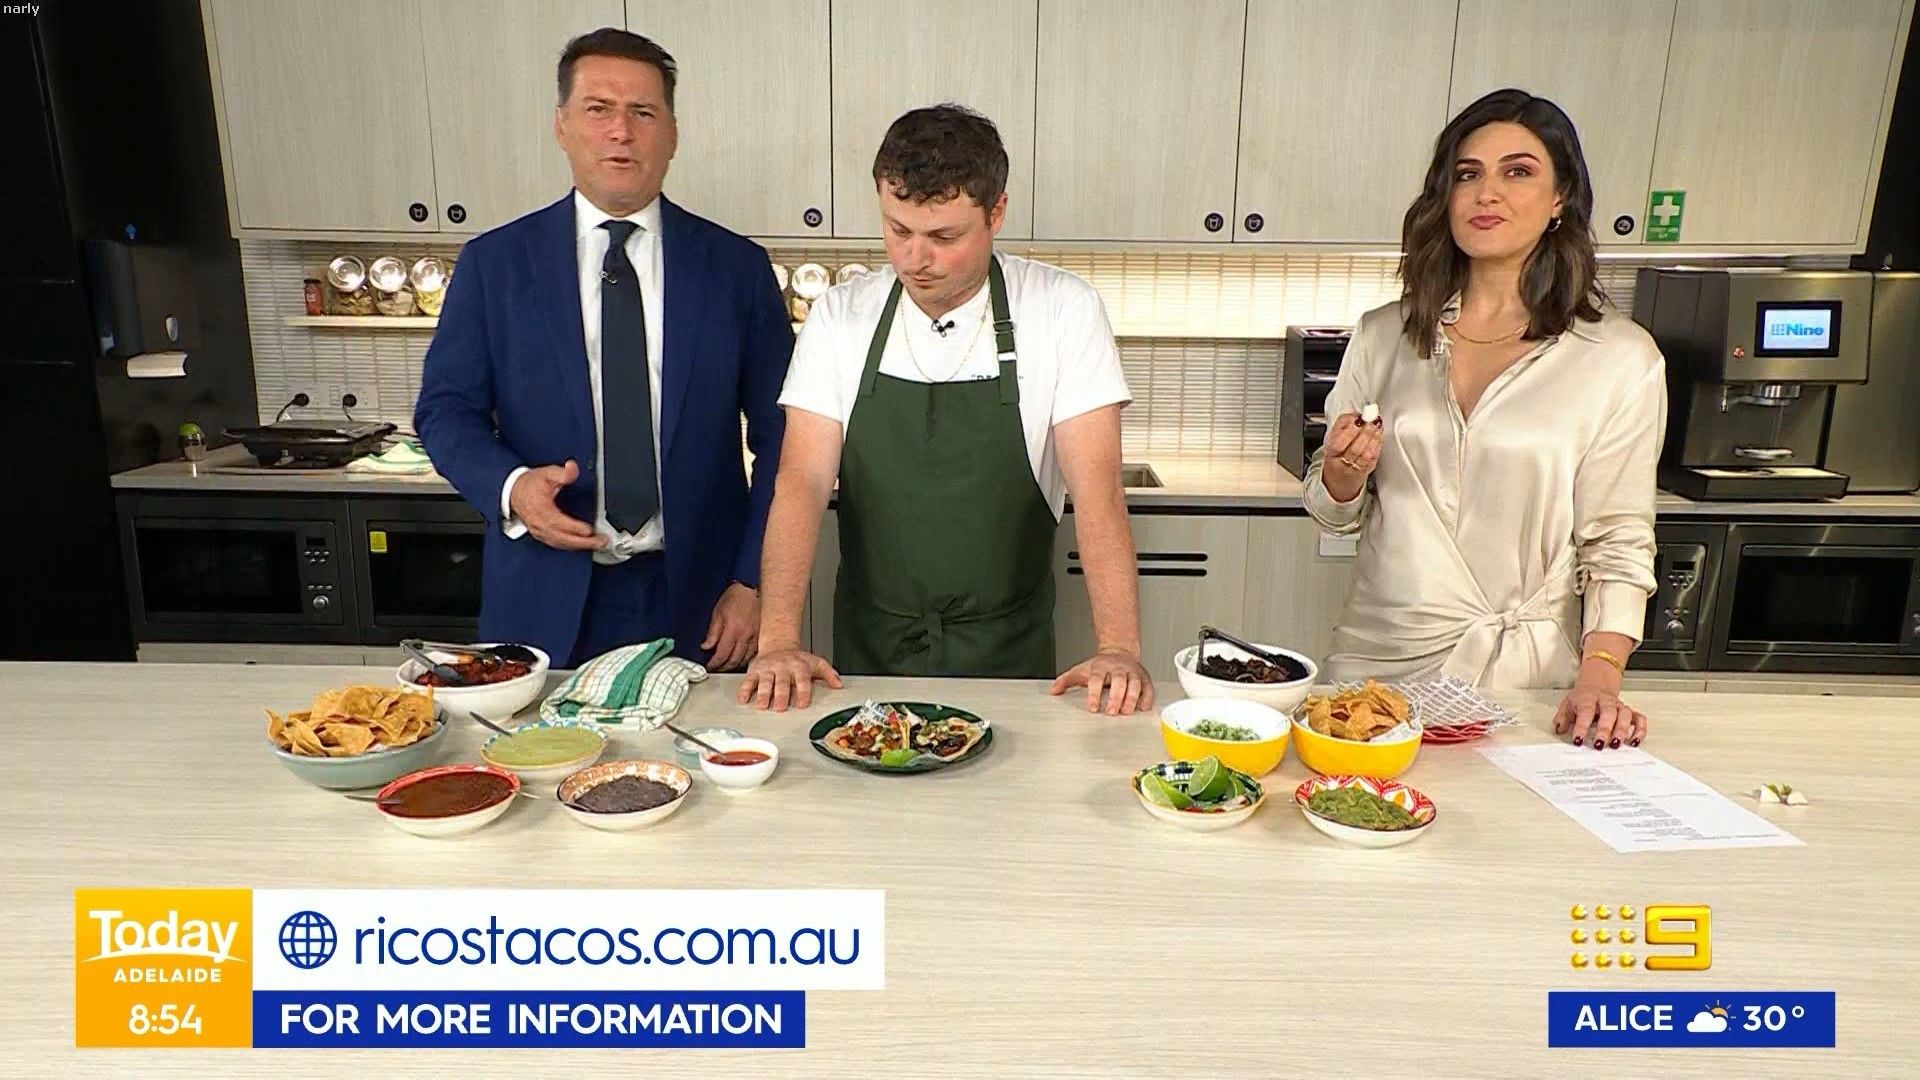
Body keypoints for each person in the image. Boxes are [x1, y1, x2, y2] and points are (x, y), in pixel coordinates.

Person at [738, 104, 1153, 715]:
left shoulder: (1063, 309)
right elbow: (800, 482)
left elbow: (1098, 494)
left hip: (1009, 655)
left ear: (996, 213)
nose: (914, 259)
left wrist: (1118, 648)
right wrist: (777, 642)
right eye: (897, 230)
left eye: (943, 237)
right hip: (868, 652)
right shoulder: (840, 317)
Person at [415, 28, 789, 669]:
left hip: (702, 602)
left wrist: (754, 581)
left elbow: (784, 436)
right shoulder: (494, 265)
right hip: (543, 597)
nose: (621, 131)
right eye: (599, 110)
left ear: (672, 133)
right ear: (562, 125)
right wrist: (512, 488)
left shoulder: (737, 269)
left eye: (643, 113)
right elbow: (445, 412)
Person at [1304, 88, 1663, 750]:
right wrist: (1342, 475)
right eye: (1467, 174)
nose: (1486, 193)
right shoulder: (1385, 336)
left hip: (1523, 683)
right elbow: (1334, 514)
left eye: (1517, 171)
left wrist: (1600, 680)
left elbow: (1618, 541)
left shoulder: (1618, 359)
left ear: (1560, 198)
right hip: (1374, 669)